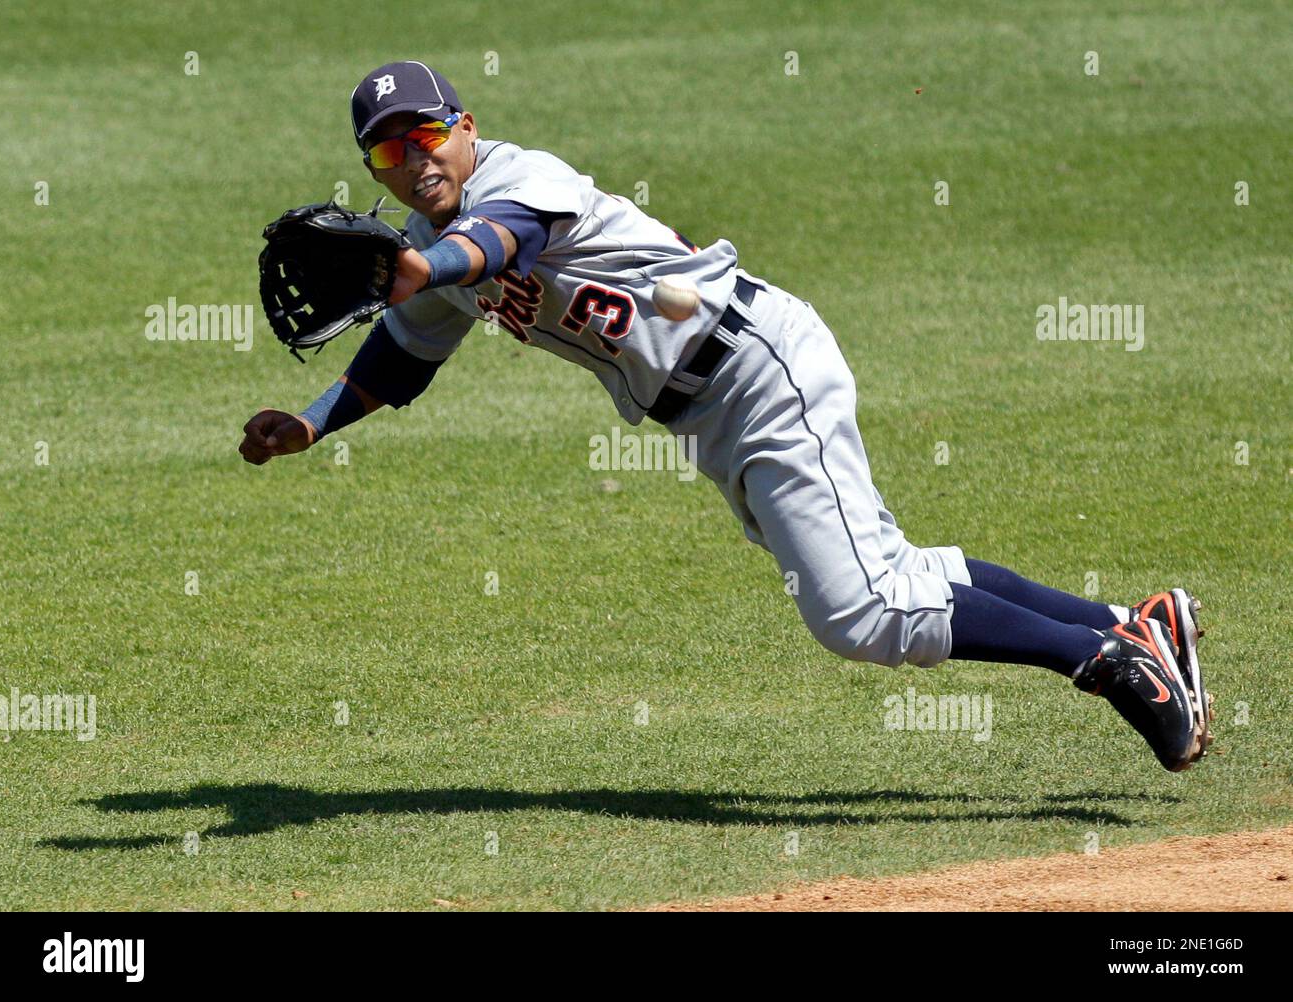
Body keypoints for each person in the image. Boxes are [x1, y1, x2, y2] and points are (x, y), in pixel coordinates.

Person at [239, 61, 1212, 771]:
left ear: (465, 125)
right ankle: (1135, 622)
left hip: (756, 365)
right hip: (711, 413)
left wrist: (427, 266)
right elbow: (401, 354)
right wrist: (315, 423)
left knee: (859, 613)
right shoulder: (423, 244)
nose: (411, 162)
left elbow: (501, 244)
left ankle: (1109, 661)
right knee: (897, 575)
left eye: (423, 135)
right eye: (384, 153)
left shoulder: (512, 179)